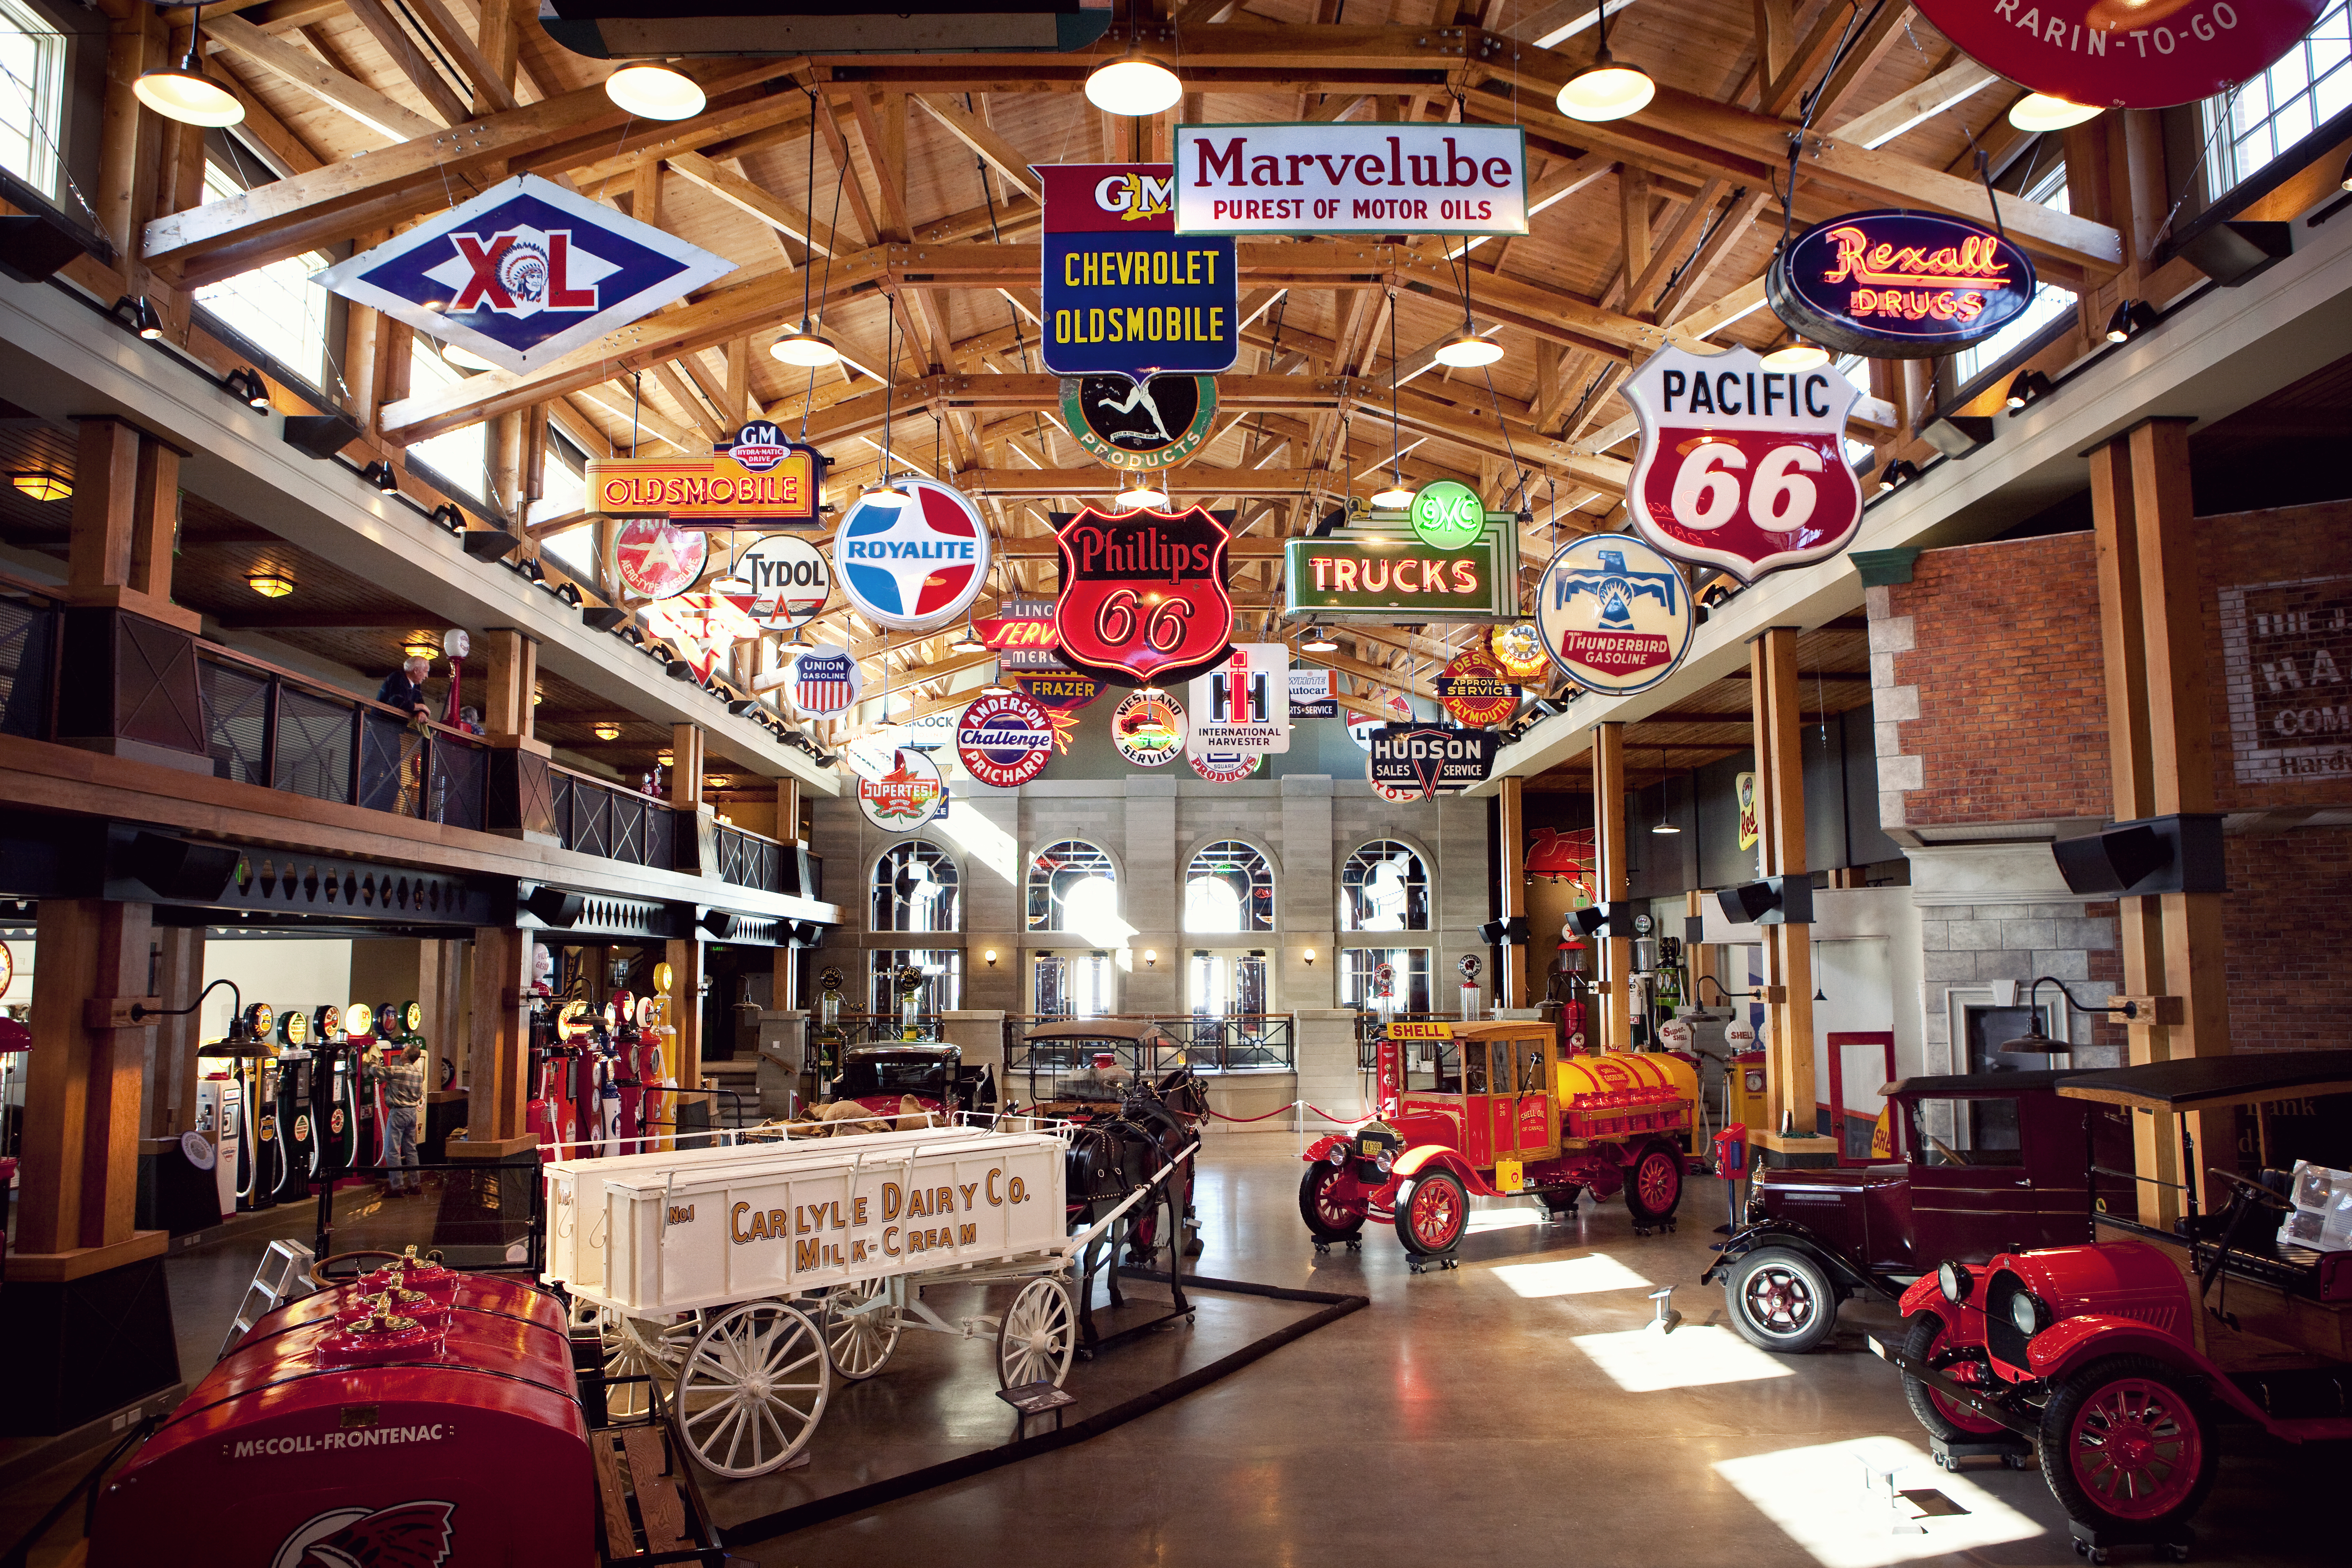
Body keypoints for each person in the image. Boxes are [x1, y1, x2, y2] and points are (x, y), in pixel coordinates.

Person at [383, 1042, 428, 1194]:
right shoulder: (418, 1074)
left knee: (392, 1150)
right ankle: (416, 1185)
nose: (401, 1053)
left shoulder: (398, 1070)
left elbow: (376, 1071)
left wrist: (370, 1058)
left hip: (398, 1113)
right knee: (411, 1149)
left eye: (403, 1051)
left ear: (406, 1056)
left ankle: (397, 1187)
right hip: (412, 1113)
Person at [378, 656, 432, 722]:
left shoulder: (417, 685)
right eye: (426, 672)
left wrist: (422, 712)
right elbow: (398, 703)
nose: (427, 676)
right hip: (381, 723)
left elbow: (421, 703)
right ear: (416, 670)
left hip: (396, 727)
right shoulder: (398, 677)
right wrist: (421, 707)